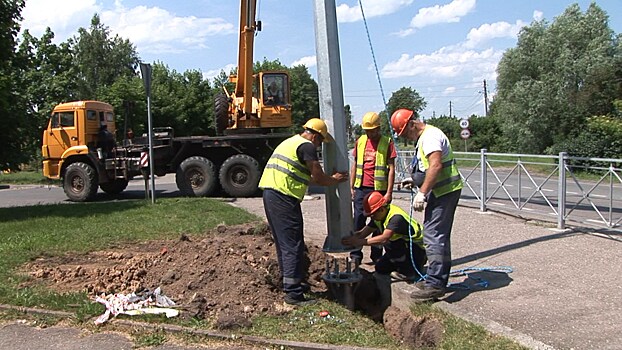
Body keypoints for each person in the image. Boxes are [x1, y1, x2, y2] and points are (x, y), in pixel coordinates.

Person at [259, 118, 348, 306]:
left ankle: (291, 283)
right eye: (320, 141)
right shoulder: (306, 147)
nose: (319, 145)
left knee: (285, 243)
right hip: (283, 197)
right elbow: (319, 178)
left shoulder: (291, 142)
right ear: (315, 136)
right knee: (292, 244)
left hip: (272, 195)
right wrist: (335, 179)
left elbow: (306, 177)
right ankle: (293, 294)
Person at [390, 108, 463, 302]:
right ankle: (435, 278)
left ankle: (435, 284)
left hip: (444, 192)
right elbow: (426, 168)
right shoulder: (425, 137)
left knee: (433, 235)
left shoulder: (430, 137)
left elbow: (436, 166)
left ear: (412, 124)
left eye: (406, 132)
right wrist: (414, 180)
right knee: (437, 235)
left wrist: (421, 193)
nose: (406, 137)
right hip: (441, 192)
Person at [342, 191, 426, 282]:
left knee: (390, 243)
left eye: (372, 214)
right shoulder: (379, 216)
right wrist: (354, 237)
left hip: (417, 249)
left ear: (381, 209)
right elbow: (364, 232)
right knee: (380, 268)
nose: (372, 217)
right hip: (403, 248)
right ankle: (398, 264)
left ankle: (408, 272)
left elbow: (383, 239)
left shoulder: (396, 218)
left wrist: (359, 242)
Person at [349, 111, 396, 264]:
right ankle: (355, 254)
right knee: (359, 220)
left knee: (378, 222)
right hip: (361, 188)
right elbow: (355, 165)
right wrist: (352, 186)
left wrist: (389, 192)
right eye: (367, 131)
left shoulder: (387, 142)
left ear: (378, 128)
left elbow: (391, 168)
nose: (370, 134)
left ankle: (377, 255)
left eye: (372, 131)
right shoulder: (361, 141)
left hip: (379, 189)